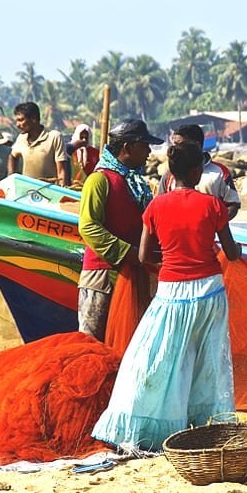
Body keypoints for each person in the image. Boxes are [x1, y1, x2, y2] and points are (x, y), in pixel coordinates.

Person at [91, 141, 243, 452]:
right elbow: (230, 252)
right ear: (198, 171)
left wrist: (171, 259)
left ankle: (153, 426)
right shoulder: (213, 206)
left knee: (158, 359)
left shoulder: (155, 207)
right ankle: (207, 428)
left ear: (171, 174)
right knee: (208, 362)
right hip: (209, 292)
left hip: (171, 292)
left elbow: (146, 254)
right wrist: (236, 251)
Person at [77, 119, 163, 341]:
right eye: (144, 145)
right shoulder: (99, 180)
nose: (149, 152)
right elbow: (89, 226)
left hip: (133, 274)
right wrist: (129, 253)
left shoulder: (133, 181)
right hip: (103, 276)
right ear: (128, 147)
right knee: (93, 343)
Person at [158, 124, 242, 220]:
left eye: (180, 145)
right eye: (175, 145)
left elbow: (233, 205)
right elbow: (160, 208)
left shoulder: (220, 172)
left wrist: (215, 225)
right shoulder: (169, 175)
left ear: (197, 145)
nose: (176, 149)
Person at [8, 102, 68, 186]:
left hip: (49, 191)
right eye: (17, 121)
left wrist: (62, 190)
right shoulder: (21, 138)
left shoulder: (54, 137)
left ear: (34, 119)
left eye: (21, 120)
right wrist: (11, 177)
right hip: (26, 191)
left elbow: (61, 171)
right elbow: (12, 156)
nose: (17, 125)